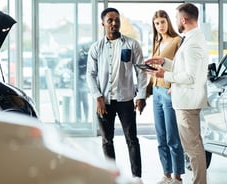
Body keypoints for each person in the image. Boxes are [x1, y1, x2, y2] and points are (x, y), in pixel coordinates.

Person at [145, 3, 209, 184]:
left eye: (175, 19)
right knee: (192, 147)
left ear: (183, 20)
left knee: (193, 148)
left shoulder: (192, 43)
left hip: (187, 103)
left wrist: (163, 74)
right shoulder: (191, 38)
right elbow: (184, 68)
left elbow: (190, 77)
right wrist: (164, 62)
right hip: (185, 101)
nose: (174, 22)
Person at [86, 7, 148, 181]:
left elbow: (141, 71)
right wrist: (98, 97)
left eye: (116, 20)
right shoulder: (96, 48)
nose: (114, 23)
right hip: (104, 101)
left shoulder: (132, 44)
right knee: (107, 140)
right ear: (103, 23)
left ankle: (137, 177)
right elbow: (90, 74)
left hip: (126, 100)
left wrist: (141, 95)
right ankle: (110, 176)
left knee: (132, 139)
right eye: (110, 20)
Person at [149, 10, 185, 184]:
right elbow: (154, 71)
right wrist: (146, 92)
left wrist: (174, 86)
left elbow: (181, 68)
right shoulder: (157, 42)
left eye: (162, 22)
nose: (160, 26)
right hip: (156, 92)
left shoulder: (178, 41)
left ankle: (177, 176)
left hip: (169, 92)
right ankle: (166, 174)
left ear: (168, 22)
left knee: (172, 136)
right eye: (157, 23)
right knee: (160, 136)